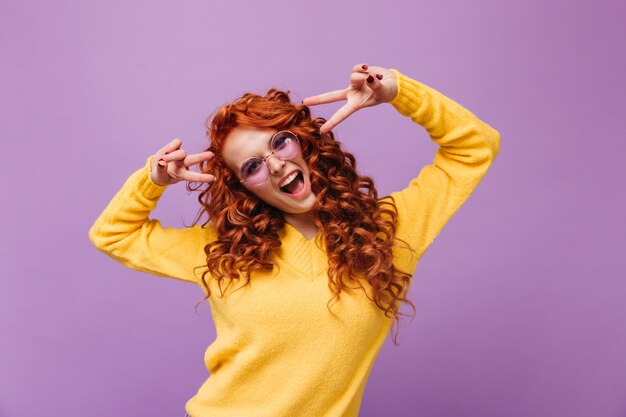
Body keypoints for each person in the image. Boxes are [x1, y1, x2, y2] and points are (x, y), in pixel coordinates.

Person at [88, 63, 500, 417]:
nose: (276, 164)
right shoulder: (222, 251)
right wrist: (151, 180)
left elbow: (475, 146)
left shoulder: (386, 231)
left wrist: (397, 91)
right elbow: (112, 233)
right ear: (243, 186)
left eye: (280, 142)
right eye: (252, 166)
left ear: (304, 141)